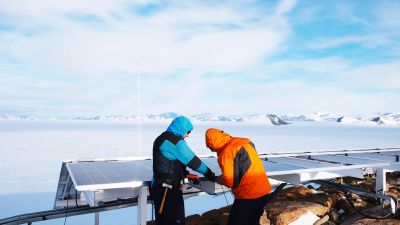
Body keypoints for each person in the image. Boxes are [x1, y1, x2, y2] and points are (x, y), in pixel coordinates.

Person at [151, 116, 216, 225]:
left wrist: (185, 174)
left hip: (161, 187)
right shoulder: (174, 141)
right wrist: (209, 173)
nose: (188, 135)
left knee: (163, 221)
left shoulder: (163, 138)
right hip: (168, 190)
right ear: (180, 128)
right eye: (188, 131)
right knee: (174, 220)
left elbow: (169, 162)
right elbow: (193, 161)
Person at [205, 128, 272, 225]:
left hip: (249, 195)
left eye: (210, 148)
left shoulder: (226, 152)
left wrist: (219, 179)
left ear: (212, 144)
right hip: (263, 190)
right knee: (253, 221)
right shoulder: (245, 142)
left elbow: (229, 180)